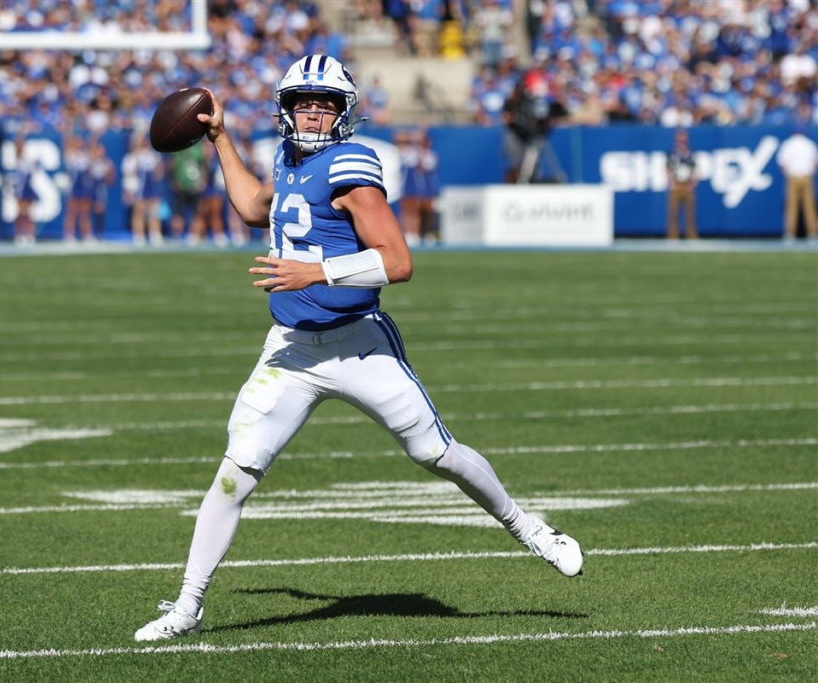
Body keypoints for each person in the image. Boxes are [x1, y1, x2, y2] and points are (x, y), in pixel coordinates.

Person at [134, 54, 584, 643]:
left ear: (343, 113)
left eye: (325, 103)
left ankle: (529, 528)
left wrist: (314, 271)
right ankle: (188, 607)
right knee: (234, 474)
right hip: (293, 349)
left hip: (358, 344)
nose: (314, 113)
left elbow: (398, 262)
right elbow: (251, 208)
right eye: (304, 102)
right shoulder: (289, 156)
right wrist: (218, 137)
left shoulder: (350, 164)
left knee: (437, 453)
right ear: (286, 108)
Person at [776, 125, 818, 242]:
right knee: (809, 206)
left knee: (792, 206)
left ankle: (790, 233)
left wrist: (789, 173)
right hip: (807, 177)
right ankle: (812, 233)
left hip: (793, 177)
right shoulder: (810, 144)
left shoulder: (788, 144)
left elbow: (782, 163)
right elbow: (815, 164)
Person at [122, 135, 165, 247]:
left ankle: (155, 234)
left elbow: (159, 173)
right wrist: (128, 190)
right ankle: (139, 235)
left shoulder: (154, 155)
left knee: (154, 212)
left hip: (151, 187)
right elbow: (128, 173)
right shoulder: (132, 157)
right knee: (139, 212)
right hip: (139, 187)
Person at [666, 129, 699, 240]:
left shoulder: (690, 152)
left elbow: (694, 169)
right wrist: (671, 182)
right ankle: (673, 236)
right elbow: (668, 169)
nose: (681, 142)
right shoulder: (672, 152)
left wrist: (693, 183)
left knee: (690, 213)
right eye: (679, 140)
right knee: (673, 213)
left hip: (687, 184)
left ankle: (691, 235)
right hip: (677, 184)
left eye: (683, 140)